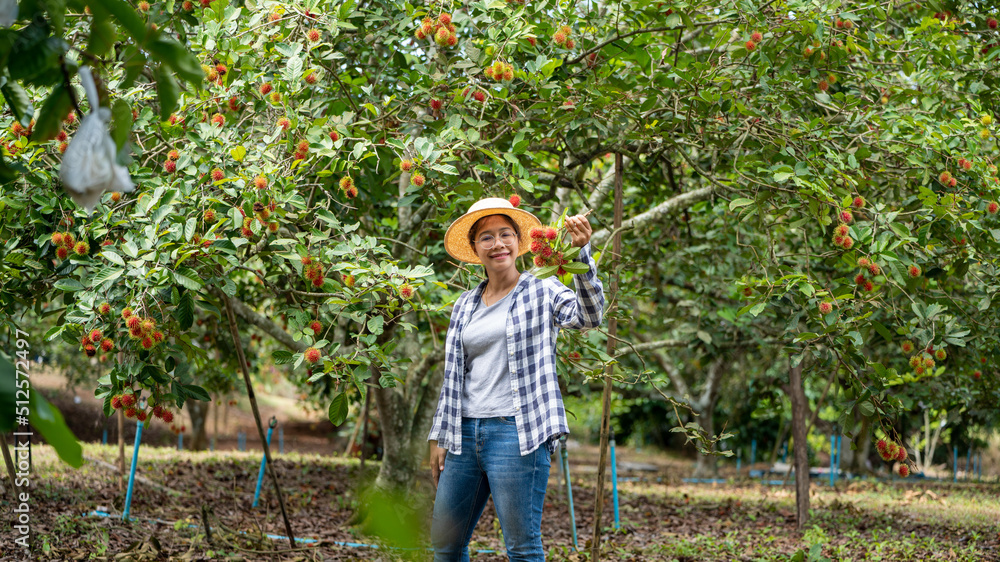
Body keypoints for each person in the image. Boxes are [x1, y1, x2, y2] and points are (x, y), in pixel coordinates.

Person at [427, 197, 605, 561]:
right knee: (445, 544)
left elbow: (589, 317)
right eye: (487, 237)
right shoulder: (464, 304)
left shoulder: (542, 289)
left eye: (505, 234)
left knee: (522, 548)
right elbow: (453, 378)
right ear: (476, 248)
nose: (498, 244)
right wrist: (439, 435)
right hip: (462, 434)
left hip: (516, 432)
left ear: (519, 243)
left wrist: (583, 256)